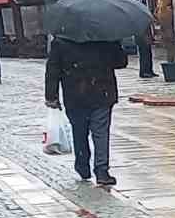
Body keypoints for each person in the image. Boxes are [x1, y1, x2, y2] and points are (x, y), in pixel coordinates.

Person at [45, 35, 127, 186]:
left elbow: (53, 69)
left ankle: (83, 166)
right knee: (101, 133)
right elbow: (121, 62)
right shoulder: (105, 36)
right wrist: (116, 44)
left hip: (75, 94)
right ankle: (101, 170)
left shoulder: (61, 40)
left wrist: (51, 96)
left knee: (79, 131)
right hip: (102, 92)